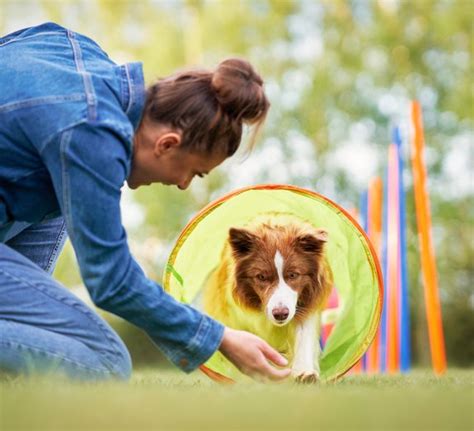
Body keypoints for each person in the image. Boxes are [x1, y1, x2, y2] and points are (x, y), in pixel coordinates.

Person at [0, 22, 291, 382]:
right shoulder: (92, 130)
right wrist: (219, 337)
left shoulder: (79, 54)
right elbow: (110, 279)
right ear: (167, 144)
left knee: (34, 329)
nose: (183, 185)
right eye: (194, 173)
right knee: (105, 362)